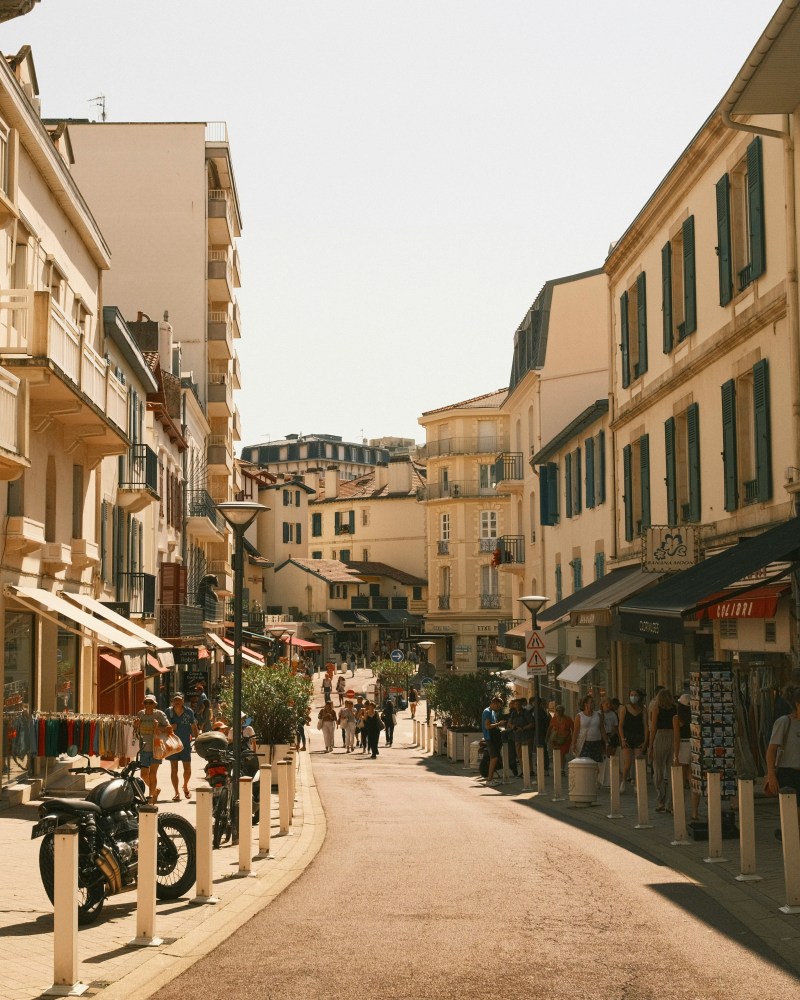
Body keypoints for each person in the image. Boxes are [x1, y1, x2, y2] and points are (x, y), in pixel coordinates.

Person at [765, 685, 800, 843]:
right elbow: (771, 750)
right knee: (794, 811)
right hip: (789, 772)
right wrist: (771, 775)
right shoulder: (784, 722)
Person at [133, 693, 172, 803]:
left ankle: (150, 797)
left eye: (151, 703)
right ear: (143, 704)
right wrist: (135, 725)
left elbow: (169, 729)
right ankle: (154, 791)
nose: (148, 705)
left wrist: (158, 727)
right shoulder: (140, 714)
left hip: (156, 748)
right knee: (143, 774)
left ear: (154, 704)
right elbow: (136, 732)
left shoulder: (159, 714)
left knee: (153, 773)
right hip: (144, 748)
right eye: (146, 702)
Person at [648, 688, 678, 812]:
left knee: (658, 770)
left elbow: (653, 728)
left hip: (660, 737)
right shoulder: (675, 709)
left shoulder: (656, 709)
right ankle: (670, 804)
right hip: (672, 736)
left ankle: (661, 800)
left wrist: (650, 746)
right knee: (672, 772)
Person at [167, 693, 197, 801]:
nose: (177, 702)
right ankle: (176, 792)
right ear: (172, 701)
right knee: (174, 769)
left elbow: (194, 726)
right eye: (175, 700)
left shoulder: (189, 712)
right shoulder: (168, 712)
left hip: (185, 744)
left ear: (183, 701)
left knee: (187, 769)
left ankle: (185, 785)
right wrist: (170, 727)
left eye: (179, 700)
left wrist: (197, 740)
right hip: (173, 745)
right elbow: (162, 726)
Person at [618, 689, 647, 792]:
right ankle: (623, 781)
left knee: (638, 761)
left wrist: (645, 740)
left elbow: (645, 726)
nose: (633, 697)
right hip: (627, 737)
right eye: (631, 695)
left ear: (639, 697)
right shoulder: (624, 708)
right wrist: (622, 739)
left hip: (639, 737)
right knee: (628, 762)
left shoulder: (643, 709)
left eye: (635, 695)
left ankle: (636, 783)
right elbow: (620, 725)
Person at [570, 694, 606, 775]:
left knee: (597, 763)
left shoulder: (598, 715)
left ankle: (595, 781)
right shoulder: (579, 716)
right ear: (585, 704)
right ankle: (587, 780)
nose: (593, 703)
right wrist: (573, 744)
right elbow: (576, 731)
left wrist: (606, 741)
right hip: (585, 742)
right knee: (586, 763)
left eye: (593, 702)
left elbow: (602, 729)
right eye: (591, 702)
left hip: (597, 742)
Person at [480, 696, 505, 786]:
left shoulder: (492, 712)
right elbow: (487, 726)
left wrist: (498, 725)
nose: (499, 708)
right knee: (494, 758)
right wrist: (499, 724)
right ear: (494, 703)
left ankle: (491, 778)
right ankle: (489, 779)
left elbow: (492, 724)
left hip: (493, 737)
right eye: (498, 706)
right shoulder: (487, 712)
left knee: (494, 758)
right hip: (490, 737)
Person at [506, 697, 533, 776]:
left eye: (518, 704)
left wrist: (523, 728)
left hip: (526, 736)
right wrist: (513, 726)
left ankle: (530, 771)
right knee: (519, 755)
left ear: (521, 705)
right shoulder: (513, 713)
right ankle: (523, 771)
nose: (517, 706)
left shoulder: (526, 713)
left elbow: (532, 724)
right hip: (517, 737)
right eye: (515, 704)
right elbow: (509, 724)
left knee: (527, 755)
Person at [546, 704, 573, 773]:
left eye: (561, 710)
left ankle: (562, 769)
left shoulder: (568, 719)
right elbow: (550, 728)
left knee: (562, 754)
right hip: (555, 739)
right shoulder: (554, 719)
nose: (559, 712)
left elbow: (573, 728)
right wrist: (547, 737)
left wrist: (572, 738)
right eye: (558, 710)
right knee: (556, 753)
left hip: (565, 739)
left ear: (563, 711)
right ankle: (557, 768)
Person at [675, 693, 692, 788]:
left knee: (681, 775)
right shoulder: (694, 717)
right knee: (692, 775)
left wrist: (676, 755)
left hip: (682, 745)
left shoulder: (677, 718)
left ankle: (680, 800)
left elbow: (676, 737)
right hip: (693, 744)